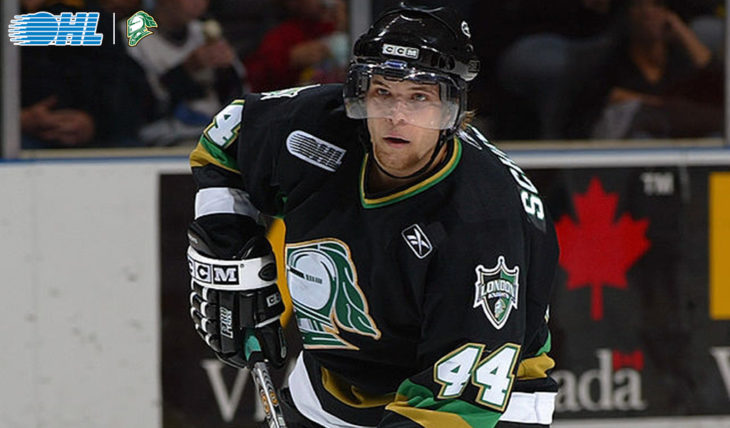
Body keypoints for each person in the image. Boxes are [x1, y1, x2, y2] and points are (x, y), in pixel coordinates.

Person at [186, 3, 559, 427]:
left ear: (452, 110)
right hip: (333, 388)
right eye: (383, 92)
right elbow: (226, 140)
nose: (396, 115)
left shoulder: (482, 222)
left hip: (481, 402)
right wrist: (226, 243)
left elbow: (454, 407)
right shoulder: (317, 127)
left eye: (419, 97)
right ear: (359, 93)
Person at [591, 0, 723, 139]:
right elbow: (601, 100)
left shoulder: (680, 60)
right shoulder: (613, 60)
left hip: (681, 139)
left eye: (657, 5)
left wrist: (684, 34)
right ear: (628, 14)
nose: (648, 13)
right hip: (635, 142)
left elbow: (719, 84)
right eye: (639, 6)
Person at [125, 0, 246, 146]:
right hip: (158, 140)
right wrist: (186, 69)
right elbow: (138, 106)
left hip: (213, 135)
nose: (198, 4)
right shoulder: (129, 33)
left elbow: (240, 94)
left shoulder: (204, 31)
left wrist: (226, 70)